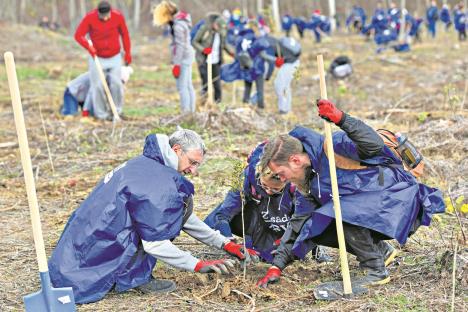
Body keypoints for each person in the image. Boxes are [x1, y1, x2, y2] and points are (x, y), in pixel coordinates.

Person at [49, 128, 258, 303]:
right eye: (192, 163)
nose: (193, 171)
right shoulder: (158, 183)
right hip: (88, 259)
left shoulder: (149, 164)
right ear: (176, 150)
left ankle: (133, 274)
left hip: (76, 247)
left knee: (179, 202)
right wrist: (197, 264)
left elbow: (179, 215)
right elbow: (155, 242)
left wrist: (224, 243)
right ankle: (134, 277)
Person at [256, 99, 445, 288]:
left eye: (281, 173)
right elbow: (298, 225)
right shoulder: (308, 182)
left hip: (400, 202)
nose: (282, 179)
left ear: (295, 160)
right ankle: (379, 251)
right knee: (314, 224)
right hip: (374, 211)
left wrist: (341, 119)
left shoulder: (334, 146)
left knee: (338, 209)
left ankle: (375, 271)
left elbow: (374, 145)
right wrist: (277, 266)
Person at [204, 142, 331, 263]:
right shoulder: (246, 178)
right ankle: (253, 244)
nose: (269, 191)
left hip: (283, 214)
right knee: (259, 251)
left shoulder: (298, 182)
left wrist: (289, 240)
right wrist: (229, 242)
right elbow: (223, 214)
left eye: (275, 189)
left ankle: (313, 248)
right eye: (265, 186)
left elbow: (309, 216)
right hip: (257, 214)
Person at [74, 1, 131, 120]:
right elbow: (78, 35)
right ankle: (102, 115)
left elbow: (125, 35)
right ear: (98, 13)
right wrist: (89, 48)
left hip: (114, 56)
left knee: (116, 84)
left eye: (107, 16)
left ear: (110, 12)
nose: (105, 18)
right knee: (98, 86)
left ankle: (117, 112)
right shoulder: (90, 18)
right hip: (97, 58)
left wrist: (127, 53)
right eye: (102, 16)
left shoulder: (118, 17)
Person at [153, 1, 196, 113]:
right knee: (188, 85)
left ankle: (186, 112)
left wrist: (177, 64)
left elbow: (180, 45)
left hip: (183, 57)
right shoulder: (181, 20)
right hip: (188, 54)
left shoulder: (178, 26)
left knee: (182, 87)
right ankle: (192, 111)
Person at [192, 12, 235, 104]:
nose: (219, 30)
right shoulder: (205, 29)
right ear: (214, 24)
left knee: (217, 85)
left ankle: (217, 105)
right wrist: (203, 50)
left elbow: (224, 44)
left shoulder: (221, 31)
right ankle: (204, 104)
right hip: (204, 61)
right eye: (218, 27)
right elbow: (194, 42)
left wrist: (232, 53)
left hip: (216, 61)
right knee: (206, 84)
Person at [264, 36, 301, 114]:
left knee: (279, 85)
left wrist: (267, 77)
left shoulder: (268, 47)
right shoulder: (278, 41)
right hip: (295, 62)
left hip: (290, 64)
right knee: (285, 85)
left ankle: (284, 109)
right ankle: (286, 108)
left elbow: (270, 64)